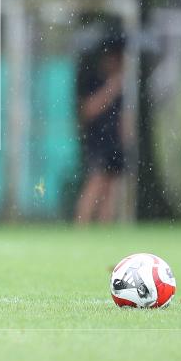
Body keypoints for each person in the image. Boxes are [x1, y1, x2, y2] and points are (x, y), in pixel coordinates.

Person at [74, 37, 127, 223]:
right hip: (97, 139)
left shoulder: (124, 88)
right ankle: (82, 226)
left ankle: (105, 230)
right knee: (96, 182)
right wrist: (111, 88)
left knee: (112, 187)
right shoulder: (93, 80)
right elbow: (88, 110)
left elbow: (122, 116)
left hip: (114, 140)